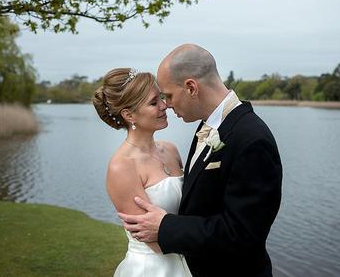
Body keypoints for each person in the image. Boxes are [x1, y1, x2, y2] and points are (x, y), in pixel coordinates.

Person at [119, 44, 283, 277]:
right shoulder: (209, 127)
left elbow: (243, 234)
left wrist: (165, 227)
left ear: (191, 87)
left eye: (169, 95)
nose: (167, 104)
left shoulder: (251, 139)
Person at [92, 68, 192, 277]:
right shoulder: (122, 166)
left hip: (187, 256)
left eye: (162, 98)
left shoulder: (170, 150)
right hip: (154, 268)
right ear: (129, 115)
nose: (165, 106)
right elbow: (150, 237)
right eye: (154, 103)